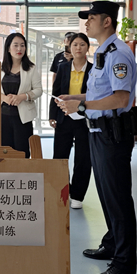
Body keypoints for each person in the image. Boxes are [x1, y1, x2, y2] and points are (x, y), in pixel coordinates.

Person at [58, 1, 137, 274]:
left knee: (118, 198)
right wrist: (76, 100)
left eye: (91, 18)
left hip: (112, 134)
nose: (86, 24)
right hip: (98, 132)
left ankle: (124, 264)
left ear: (106, 22)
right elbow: (99, 94)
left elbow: (120, 98)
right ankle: (113, 243)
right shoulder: (103, 53)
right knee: (105, 194)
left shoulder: (118, 54)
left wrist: (82, 107)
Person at [49, 32, 93, 209]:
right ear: (69, 47)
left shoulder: (94, 70)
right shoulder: (63, 68)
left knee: (83, 158)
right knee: (60, 156)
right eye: (75, 45)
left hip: (84, 119)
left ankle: (77, 196)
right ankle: (62, 191)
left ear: (87, 48)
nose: (78, 48)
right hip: (64, 118)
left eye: (82, 44)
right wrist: (52, 115)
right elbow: (55, 91)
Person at [0, 32, 42, 158]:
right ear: (8, 48)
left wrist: (22, 96)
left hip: (23, 117)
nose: (19, 49)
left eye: (22, 45)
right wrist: (4, 98)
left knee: (22, 152)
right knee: (4, 152)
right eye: (16, 45)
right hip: (3, 117)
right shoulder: (0, 68)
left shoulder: (31, 68)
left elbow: (39, 90)